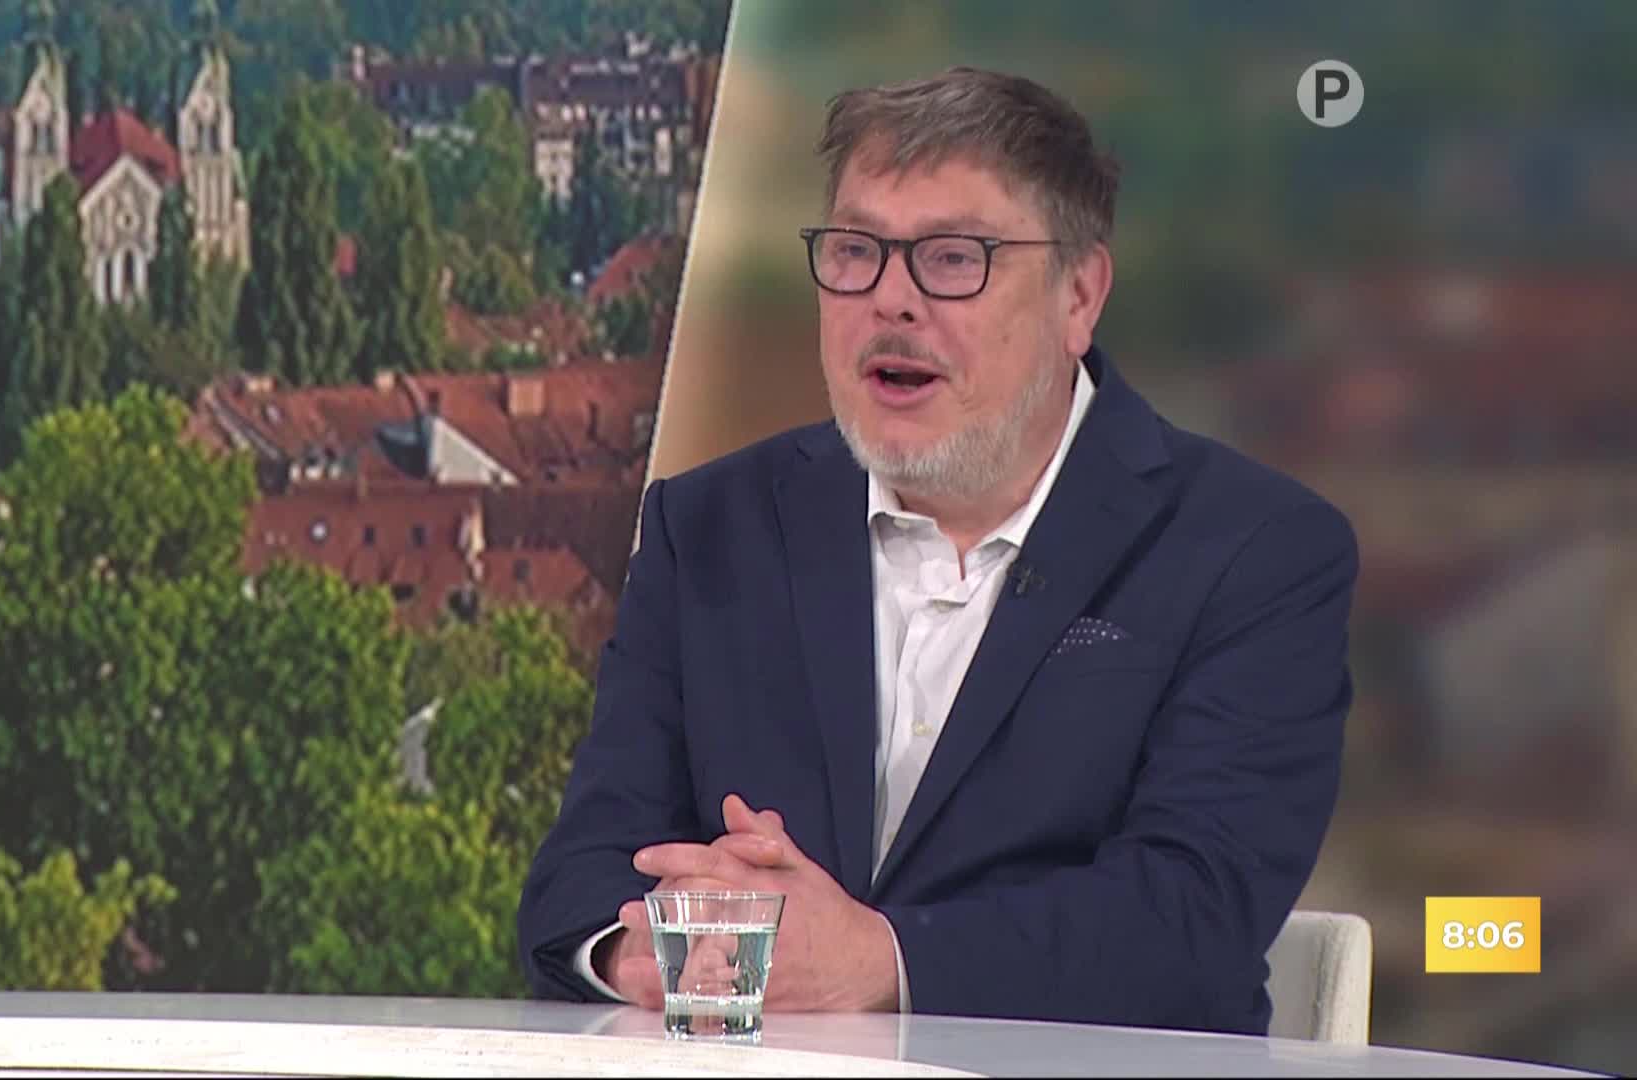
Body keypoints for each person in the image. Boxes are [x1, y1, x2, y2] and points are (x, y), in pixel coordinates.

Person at [516, 66, 1358, 1034]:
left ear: (1079, 295)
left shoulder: (1252, 550)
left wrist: (881, 961)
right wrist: (645, 950)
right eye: (855, 252)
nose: (891, 301)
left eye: (953, 259)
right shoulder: (706, 528)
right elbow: (582, 876)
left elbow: (1191, 916)